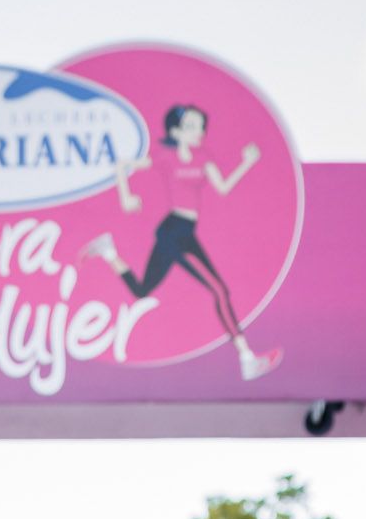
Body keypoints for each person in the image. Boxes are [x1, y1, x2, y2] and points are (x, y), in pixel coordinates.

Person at [81, 105, 281, 381]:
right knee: (219, 290)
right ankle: (247, 358)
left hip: (185, 231)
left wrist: (246, 162)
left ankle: (108, 251)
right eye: (191, 126)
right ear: (176, 132)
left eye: (200, 126)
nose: (198, 131)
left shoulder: (203, 158)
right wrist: (125, 196)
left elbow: (222, 187)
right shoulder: (167, 157)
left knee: (142, 290)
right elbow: (122, 164)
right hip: (173, 230)